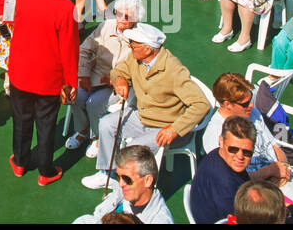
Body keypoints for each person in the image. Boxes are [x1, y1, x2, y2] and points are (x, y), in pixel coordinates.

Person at [83, 23, 211, 189]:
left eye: (132, 45)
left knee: (130, 150)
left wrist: (174, 129)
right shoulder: (137, 58)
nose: (129, 47)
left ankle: (130, 186)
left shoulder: (174, 70)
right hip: (142, 116)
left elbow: (201, 104)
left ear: (147, 49)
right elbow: (120, 70)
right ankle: (107, 174)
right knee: (106, 124)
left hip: (165, 126)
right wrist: (119, 79)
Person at [6, 0, 78, 185]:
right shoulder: (66, 8)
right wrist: (71, 82)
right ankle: (46, 171)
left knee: (21, 118)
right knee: (46, 125)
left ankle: (19, 161)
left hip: (20, 72)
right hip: (48, 78)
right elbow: (69, 50)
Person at [67, 0, 144, 154]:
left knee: (93, 103)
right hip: (94, 75)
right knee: (76, 96)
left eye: (127, 16)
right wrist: (84, 75)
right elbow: (84, 50)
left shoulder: (140, 39)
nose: (121, 19)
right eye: (118, 13)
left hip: (117, 85)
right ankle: (82, 130)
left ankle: (96, 138)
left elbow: (140, 69)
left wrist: (117, 79)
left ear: (136, 19)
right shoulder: (106, 26)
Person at [202, 73, 293, 192]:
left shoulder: (252, 113)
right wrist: (270, 171)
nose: (251, 105)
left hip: (280, 176)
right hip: (256, 190)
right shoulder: (214, 136)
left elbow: (275, 147)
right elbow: (233, 180)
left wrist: (283, 169)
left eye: (250, 99)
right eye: (245, 104)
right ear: (227, 104)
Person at [72, 145, 173, 224]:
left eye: (126, 179)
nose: (120, 183)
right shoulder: (129, 191)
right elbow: (97, 216)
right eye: (117, 176)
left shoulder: (159, 220)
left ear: (147, 180)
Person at [190, 115, 255, 223]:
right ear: (221, 141)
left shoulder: (218, 155)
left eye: (247, 152)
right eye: (233, 149)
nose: (240, 156)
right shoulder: (224, 183)